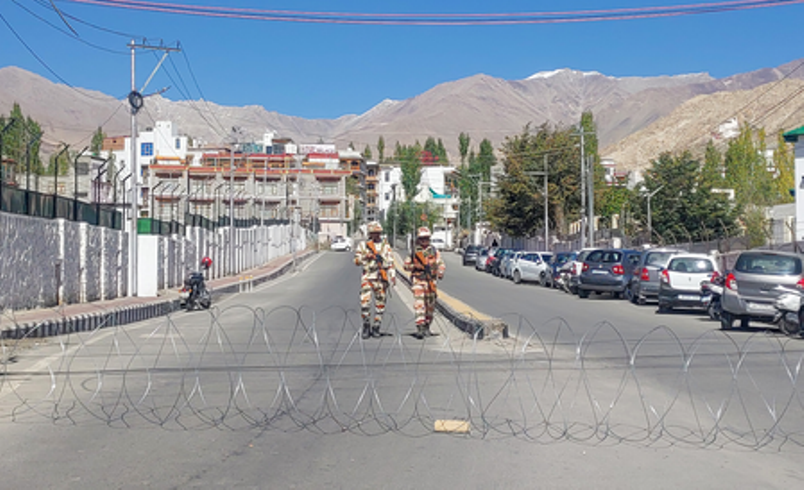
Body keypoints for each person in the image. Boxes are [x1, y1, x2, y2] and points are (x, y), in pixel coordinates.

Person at [354, 221, 396, 339]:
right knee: (365, 303)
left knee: (380, 303)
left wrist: (392, 276)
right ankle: (366, 325)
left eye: (378, 233)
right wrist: (365, 257)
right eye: (374, 233)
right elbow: (356, 261)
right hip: (368, 276)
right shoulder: (363, 245)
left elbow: (390, 262)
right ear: (370, 233)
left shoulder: (385, 246)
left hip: (380, 278)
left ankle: (377, 326)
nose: (377, 235)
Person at [404, 226, 446, 339]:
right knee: (419, 304)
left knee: (430, 305)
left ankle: (427, 325)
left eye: (426, 238)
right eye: (422, 239)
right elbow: (406, 265)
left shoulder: (434, 251)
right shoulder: (414, 252)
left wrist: (440, 272)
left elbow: (441, 263)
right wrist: (415, 266)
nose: (424, 241)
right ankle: (420, 327)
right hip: (418, 281)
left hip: (431, 281)